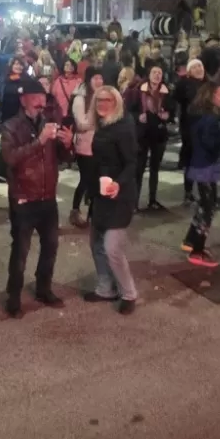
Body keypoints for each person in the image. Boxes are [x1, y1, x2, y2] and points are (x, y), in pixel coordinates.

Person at [0, 76, 73, 318]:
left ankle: (44, 288)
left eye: (43, 99)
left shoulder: (49, 123)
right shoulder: (11, 127)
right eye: (35, 99)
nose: (40, 104)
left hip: (47, 196)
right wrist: (39, 141)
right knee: (20, 251)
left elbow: (63, 158)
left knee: (50, 246)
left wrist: (67, 144)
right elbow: (10, 158)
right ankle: (13, 296)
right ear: (23, 100)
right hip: (23, 197)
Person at [83, 86, 138, 314]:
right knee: (96, 242)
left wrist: (119, 184)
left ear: (116, 103)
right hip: (101, 191)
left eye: (108, 100)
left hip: (120, 194)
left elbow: (132, 162)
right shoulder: (103, 125)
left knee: (111, 247)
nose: (102, 104)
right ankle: (106, 288)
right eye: (99, 100)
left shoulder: (123, 127)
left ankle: (129, 293)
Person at [181, 82, 220, 267]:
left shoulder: (201, 115)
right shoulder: (209, 118)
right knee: (208, 208)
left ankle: (191, 240)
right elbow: (210, 143)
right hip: (206, 166)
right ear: (211, 96)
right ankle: (197, 251)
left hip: (202, 164)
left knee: (205, 205)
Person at [127, 65, 172, 211]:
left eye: (160, 72)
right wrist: (137, 117)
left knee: (155, 168)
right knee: (139, 168)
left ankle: (152, 200)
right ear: (149, 74)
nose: (157, 75)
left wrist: (168, 115)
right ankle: (134, 202)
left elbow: (172, 109)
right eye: (154, 72)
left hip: (159, 133)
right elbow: (129, 110)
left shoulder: (166, 91)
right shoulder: (138, 91)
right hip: (142, 134)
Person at [70, 67, 105, 227]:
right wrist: (96, 119)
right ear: (89, 79)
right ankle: (75, 211)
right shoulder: (81, 98)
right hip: (84, 145)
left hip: (100, 144)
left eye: (100, 78)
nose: (99, 81)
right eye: (95, 78)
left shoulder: (102, 96)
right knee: (86, 180)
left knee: (97, 181)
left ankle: (93, 214)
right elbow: (82, 124)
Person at [174, 58, 206, 207]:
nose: (199, 69)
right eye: (195, 67)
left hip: (206, 127)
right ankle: (188, 192)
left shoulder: (208, 84)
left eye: (200, 66)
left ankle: (205, 193)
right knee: (191, 160)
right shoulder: (184, 84)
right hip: (190, 127)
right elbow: (177, 100)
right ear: (189, 71)